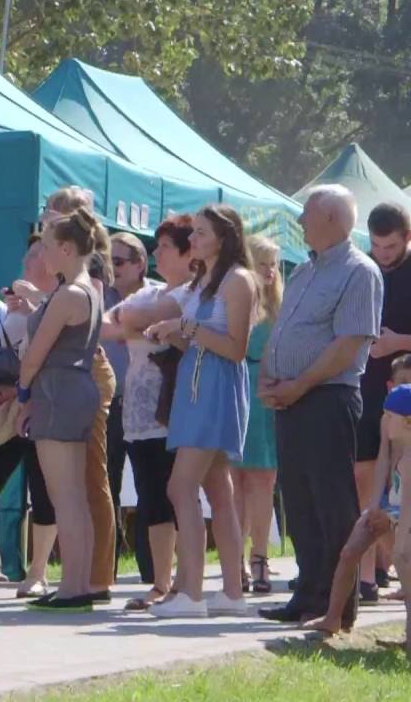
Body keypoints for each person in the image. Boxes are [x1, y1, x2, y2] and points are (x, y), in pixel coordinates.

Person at [259, 185, 383, 625]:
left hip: (328, 398)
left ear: (331, 218)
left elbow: (349, 344)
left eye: (307, 213)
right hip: (292, 399)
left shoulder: (358, 272)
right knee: (299, 499)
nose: (300, 222)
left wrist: (301, 384)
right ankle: (308, 594)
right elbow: (284, 332)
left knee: (331, 501)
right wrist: (271, 379)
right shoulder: (304, 272)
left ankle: (338, 605)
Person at [142, 204, 256, 618]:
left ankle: (191, 592)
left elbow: (235, 348)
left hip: (214, 388)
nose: (194, 239)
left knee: (180, 486)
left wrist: (186, 328)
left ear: (225, 237)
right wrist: (173, 332)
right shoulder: (204, 281)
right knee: (217, 491)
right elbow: (200, 342)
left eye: (203, 233)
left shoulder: (238, 280)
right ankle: (231, 592)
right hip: (196, 383)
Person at [15, 208, 104, 612]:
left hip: (58, 390)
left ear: (66, 249)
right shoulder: (89, 289)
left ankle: (72, 586)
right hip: (77, 388)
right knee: (74, 496)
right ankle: (78, 582)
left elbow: (36, 353)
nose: (42, 254)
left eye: (47, 247)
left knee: (64, 494)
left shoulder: (69, 293)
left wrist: (22, 393)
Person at [104, 216, 194, 609]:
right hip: (138, 410)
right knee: (150, 494)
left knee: (183, 496)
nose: (157, 253)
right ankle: (161, 582)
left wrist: (148, 326)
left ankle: (185, 583)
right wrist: (147, 329)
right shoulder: (146, 300)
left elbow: (186, 334)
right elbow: (107, 325)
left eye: (164, 248)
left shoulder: (183, 294)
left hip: (177, 406)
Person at [304, 362, 411, 644]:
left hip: (406, 507)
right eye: (402, 381)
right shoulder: (389, 419)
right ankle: (333, 618)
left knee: (404, 562)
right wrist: (375, 505)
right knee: (350, 551)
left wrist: (392, 521)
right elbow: (383, 463)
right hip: (391, 500)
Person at [0, 234, 60, 599]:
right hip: (6, 409)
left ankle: (38, 571)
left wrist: (33, 306)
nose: (30, 261)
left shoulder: (58, 301)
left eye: (38, 254)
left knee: (44, 488)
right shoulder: (12, 309)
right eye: (30, 254)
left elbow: (53, 346)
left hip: (43, 403)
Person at [355, 203, 411, 601]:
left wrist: (398, 343)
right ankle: (370, 569)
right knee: (365, 474)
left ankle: (395, 562)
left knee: (402, 477)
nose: (383, 254)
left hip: (406, 392)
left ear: (407, 238)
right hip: (368, 386)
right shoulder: (364, 269)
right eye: (376, 245)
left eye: (390, 247)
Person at [108, 232, 160, 577]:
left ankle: (153, 571)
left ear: (140, 263)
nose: (113, 269)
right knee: (106, 486)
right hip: (109, 404)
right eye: (108, 260)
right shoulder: (101, 297)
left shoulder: (156, 295)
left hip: (149, 404)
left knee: (149, 486)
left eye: (119, 261)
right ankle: (103, 570)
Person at [236, 234, 283, 595]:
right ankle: (234, 559)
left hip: (266, 392)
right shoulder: (237, 299)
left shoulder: (283, 305)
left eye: (273, 263)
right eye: (262, 262)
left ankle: (259, 557)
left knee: (263, 480)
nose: (269, 271)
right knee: (235, 480)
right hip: (237, 386)